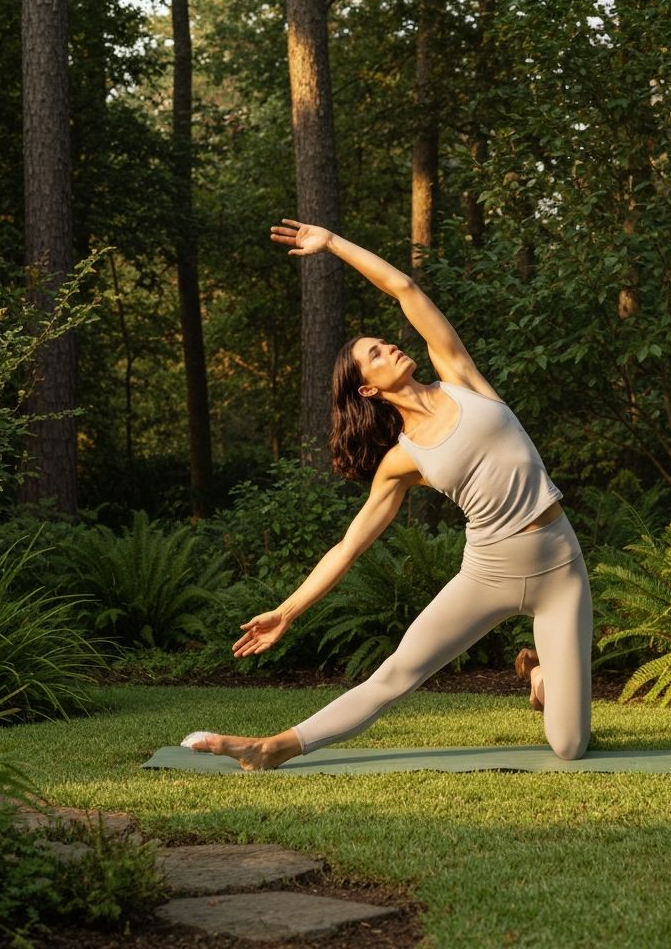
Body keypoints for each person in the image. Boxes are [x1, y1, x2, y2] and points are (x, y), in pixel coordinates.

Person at [181, 219, 592, 770]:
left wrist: (331, 243)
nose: (389, 346)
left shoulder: (459, 378)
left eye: (384, 341)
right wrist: (287, 611)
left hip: (560, 568)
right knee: (396, 673)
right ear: (369, 388)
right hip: (488, 574)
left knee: (569, 747)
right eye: (374, 353)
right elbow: (349, 547)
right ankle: (272, 747)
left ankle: (539, 676)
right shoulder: (402, 461)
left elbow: (405, 289)